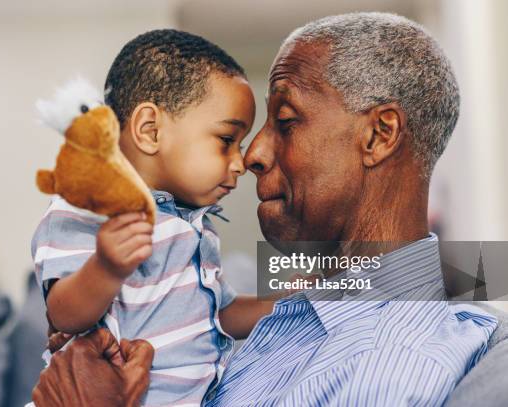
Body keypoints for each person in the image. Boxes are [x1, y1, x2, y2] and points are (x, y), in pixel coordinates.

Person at [33, 12, 498, 406]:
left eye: (286, 121)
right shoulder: (313, 305)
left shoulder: (385, 361)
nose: (251, 156)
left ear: (378, 136)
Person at [31, 29, 273, 406]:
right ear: (150, 129)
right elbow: (63, 314)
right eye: (227, 141)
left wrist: (291, 301)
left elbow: (219, 315)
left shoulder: (193, 225)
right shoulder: (89, 207)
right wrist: (106, 268)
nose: (240, 163)